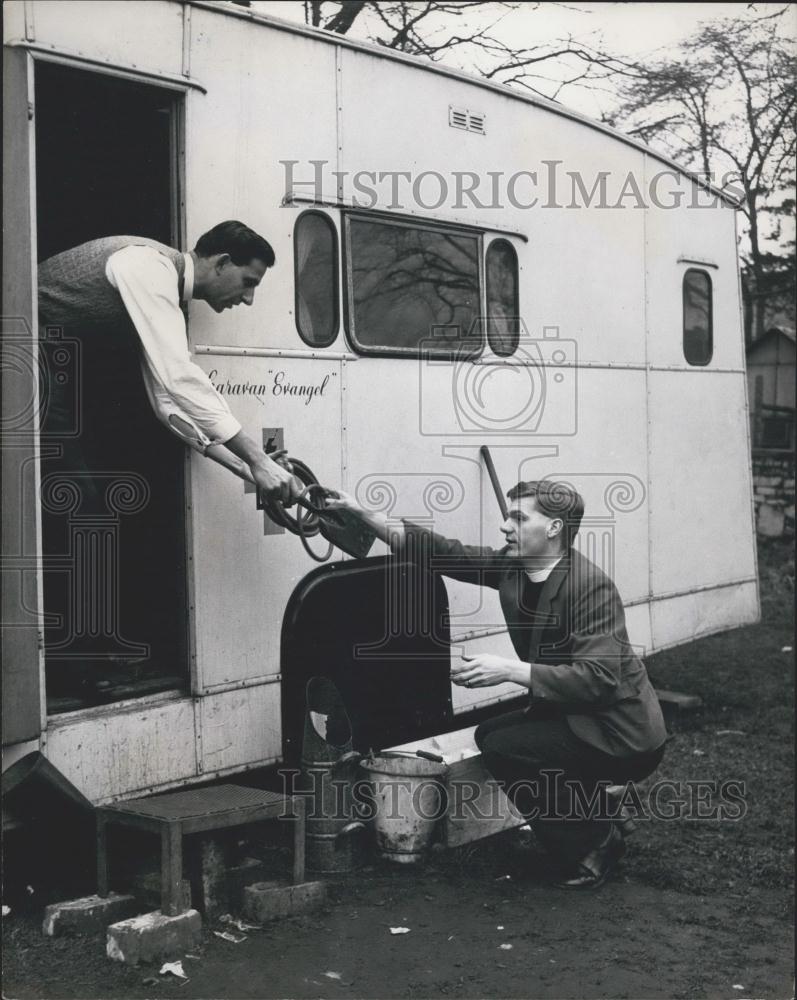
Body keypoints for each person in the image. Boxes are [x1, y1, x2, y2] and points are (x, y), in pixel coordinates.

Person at [326, 479, 667, 889]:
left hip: (622, 733)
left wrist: (508, 670)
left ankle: (594, 843)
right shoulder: (513, 566)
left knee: (511, 750)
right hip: (579, 717)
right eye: (508, 516)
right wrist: (364, 514)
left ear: (555, 529)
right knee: (492, 734)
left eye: (519, 518)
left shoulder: (589, 586)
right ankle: (601, 809)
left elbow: (600, 679)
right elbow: (442, 553)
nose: (506, 526)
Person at [38, 220, 299, 500]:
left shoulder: (168, 296)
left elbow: (166, 402)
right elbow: (179, 378)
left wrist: (245, 467)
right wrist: (258, 459)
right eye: (249, 282)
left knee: (80, 493)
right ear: (222, 263)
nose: (249, 299)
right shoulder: (152, 267)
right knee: (79, 497)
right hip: (22, 347)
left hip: (41, 363)